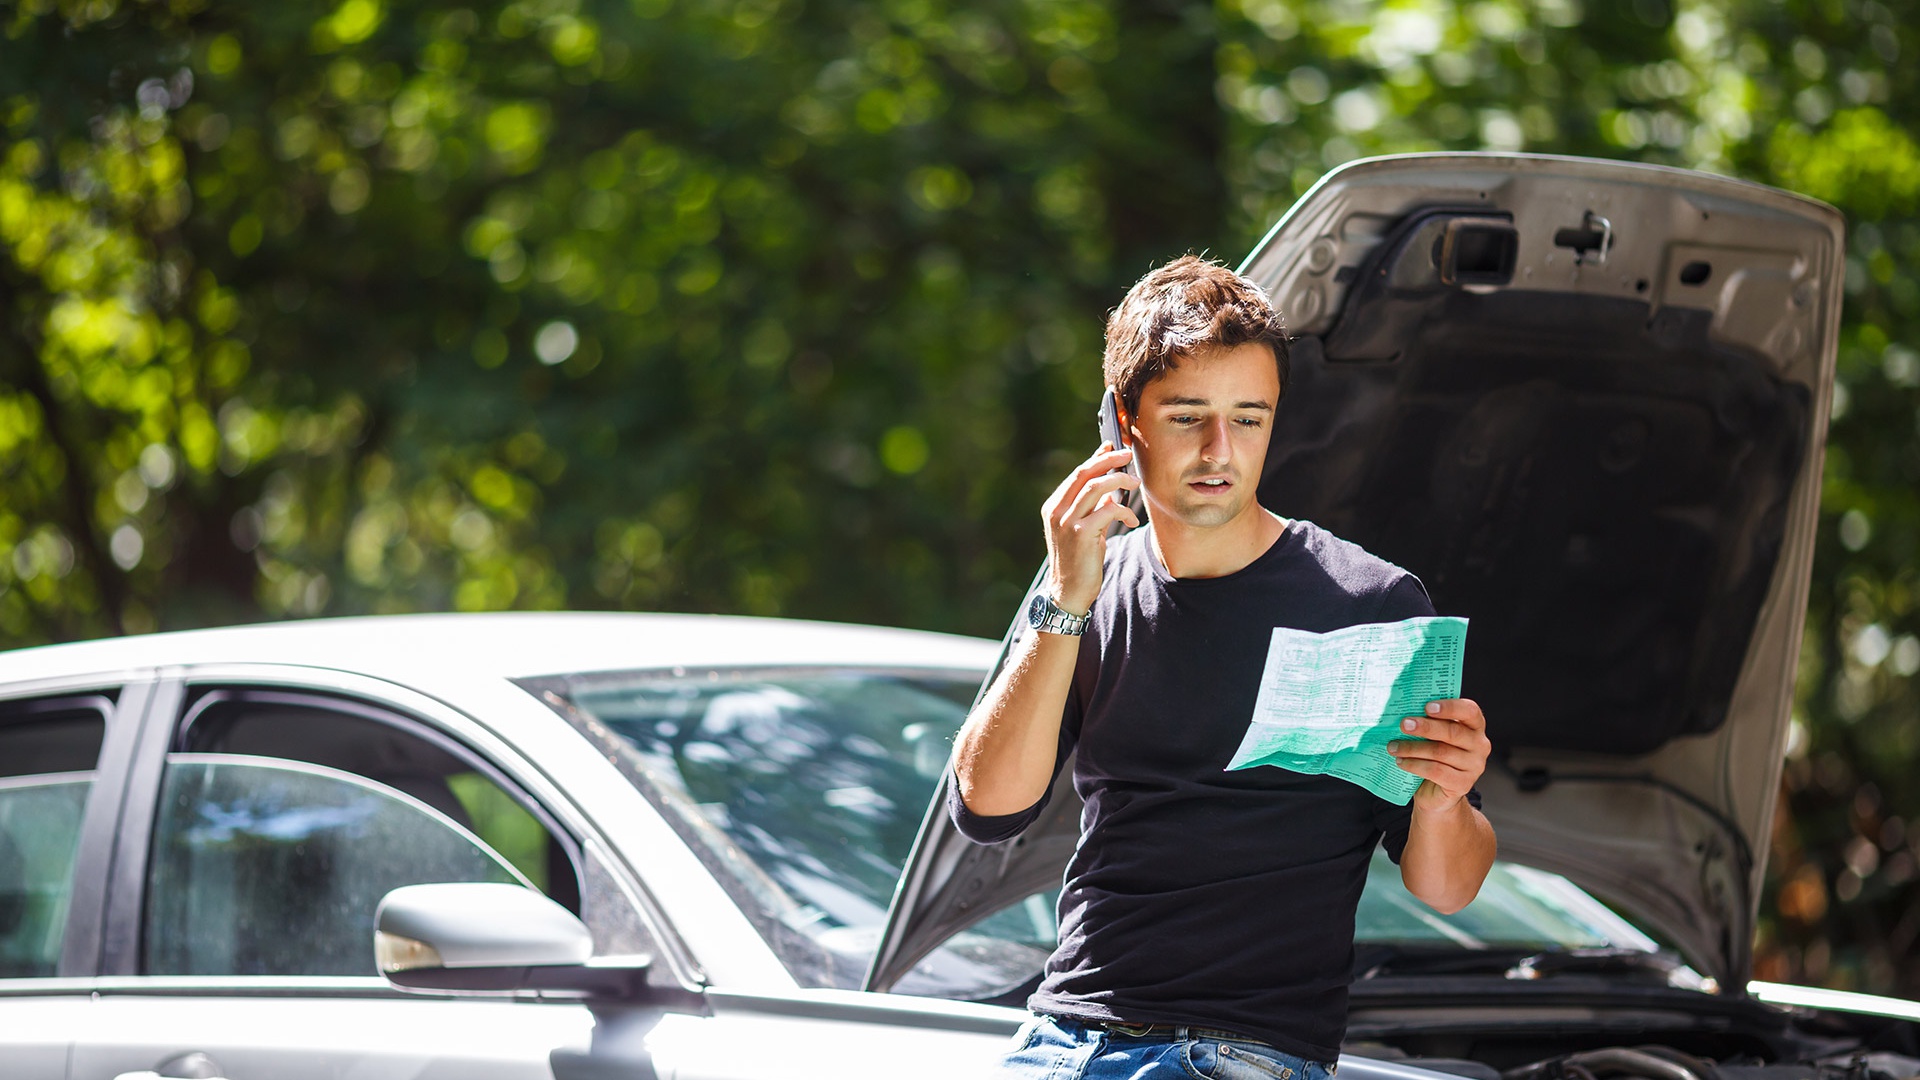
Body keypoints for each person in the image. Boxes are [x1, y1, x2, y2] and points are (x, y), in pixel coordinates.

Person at [949, 255, 1496, 1080]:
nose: (1219, 451)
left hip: (1240, 1053)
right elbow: (987, 809)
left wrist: (1447, 798)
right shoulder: (1085, 588)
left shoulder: (1369, 600)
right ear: (1122, 424)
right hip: (1060, 1038)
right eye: (1187, 417)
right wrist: (1064, 594)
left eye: (1248, 419)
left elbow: (1448, 889)